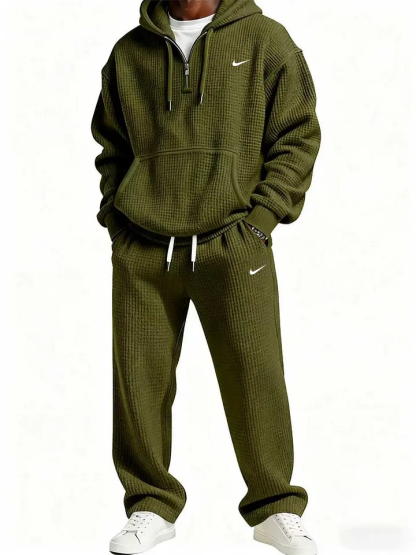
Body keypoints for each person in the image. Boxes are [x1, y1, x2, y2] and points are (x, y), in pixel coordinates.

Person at [91, 0, 321, 553]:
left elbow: (297, 135)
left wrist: (262, 221)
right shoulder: (129, 52)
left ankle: (274, 506)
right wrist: (117, 223)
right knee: (139, 384)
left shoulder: (265, 39)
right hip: (144, 249)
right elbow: (111, 147)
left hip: (234, 244)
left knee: (256, 377)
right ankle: (149, 504)